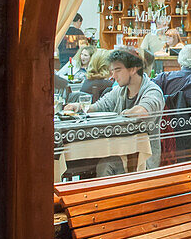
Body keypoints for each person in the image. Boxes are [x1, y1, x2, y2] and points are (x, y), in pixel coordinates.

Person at [63, 47, 164, 176]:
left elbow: (142, 111)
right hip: (118, 149)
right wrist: (79, 107)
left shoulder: (152, 91)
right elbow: (99, 106)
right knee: (83, 162)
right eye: (112, 71)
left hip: (140, 157)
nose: (113, 76)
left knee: (104, 165)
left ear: (133, 69)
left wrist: (121, 114)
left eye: (117, 70)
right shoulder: (120, 91)